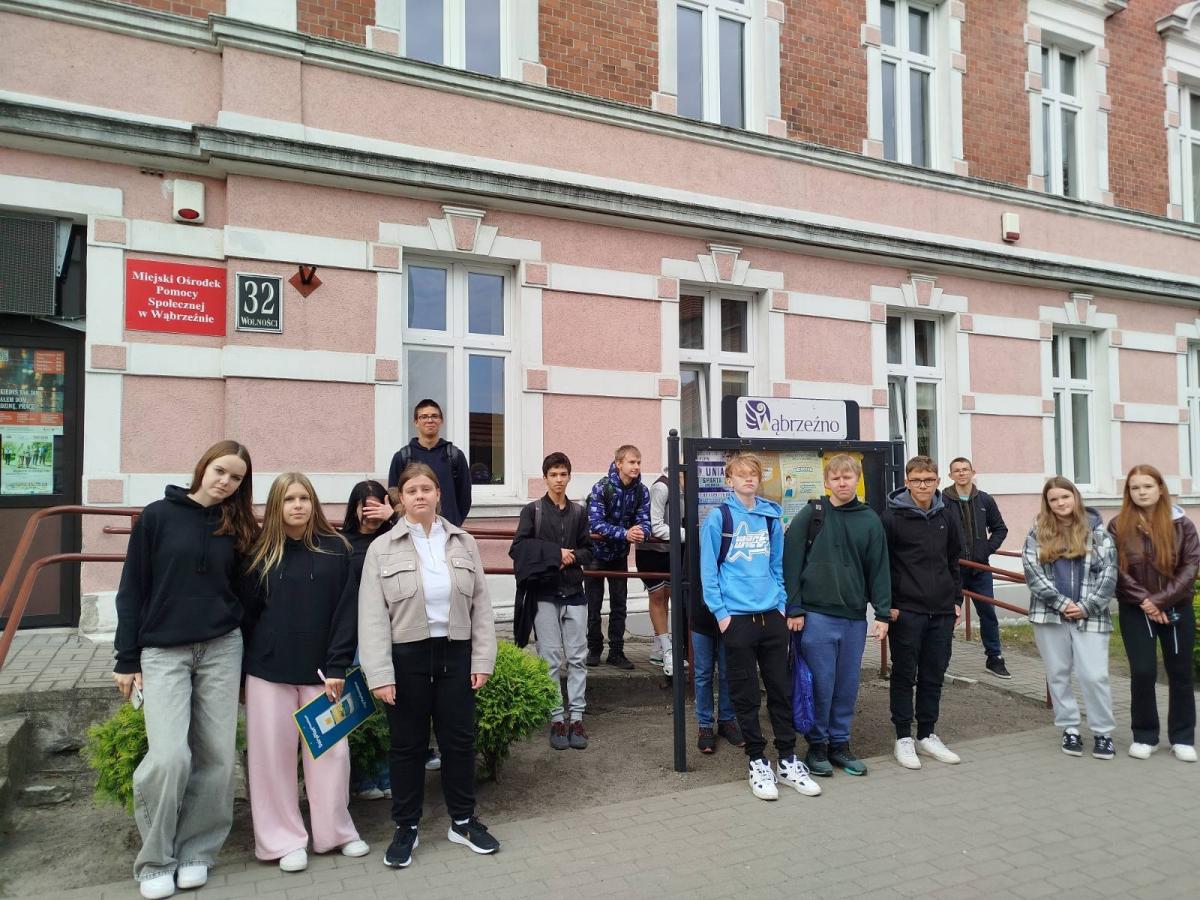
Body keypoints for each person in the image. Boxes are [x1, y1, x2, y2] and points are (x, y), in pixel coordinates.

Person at [112, 441, 259, 900]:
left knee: (216, 756)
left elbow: (247, 597)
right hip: (164, 652)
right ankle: (156, 859)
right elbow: (132, 588)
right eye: (220, 471)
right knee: (170, 755)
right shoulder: (157, 517)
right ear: (203, 467)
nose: (225, 482)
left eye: (236, 478)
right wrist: (126, 657)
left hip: (222, 648)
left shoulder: (238, 526)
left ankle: (197, 851)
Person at [358, 462, 499, 868]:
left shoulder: (463, 542)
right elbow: (372, 616)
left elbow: (481, 606)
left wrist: (482, 659)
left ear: (438, 494)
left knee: (459, 742)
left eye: (426, 489)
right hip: (408, 657)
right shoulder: (381, 548)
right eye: (411, 490)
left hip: (455, 654)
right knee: (407, 747)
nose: (419, 495)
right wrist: (380, 674)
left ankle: (463, 820)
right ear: (400, 499)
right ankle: (406, 826)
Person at [242, 473, 367, 872]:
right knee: (271, 759)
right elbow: (246, 617)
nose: (297, 505)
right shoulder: (258, 554)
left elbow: (347, 612)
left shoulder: (337, 549)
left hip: (324, 675)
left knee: (333, 754)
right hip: (268, 673)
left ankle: (336, 833)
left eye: (304, 498)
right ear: (275, 506)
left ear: (314, 503)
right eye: (288, 499)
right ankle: (283, 840)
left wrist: (338, 664)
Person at [701, 453, 820, 801]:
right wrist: (722, 615)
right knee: (746, 694)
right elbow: (708, 572)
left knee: (780, 690)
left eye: (753, 474)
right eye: (741, 475)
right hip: (736, 619)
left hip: (771, 617)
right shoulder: (718, 518)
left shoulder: (770, 516)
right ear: (730, 481)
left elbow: (777, 565)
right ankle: (757, 761)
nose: (749, 479)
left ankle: (787, 759)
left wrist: (781, 604)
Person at [784, 454, 890, 778]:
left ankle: (840, 744)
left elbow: (879, 568)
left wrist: (882, 613)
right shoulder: (813, 514)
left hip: (854, 618)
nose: (842, 483)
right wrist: (794, 607)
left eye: (848, 477)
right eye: (836, 478)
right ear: (827, 482)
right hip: (816, 616)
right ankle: (817, 745)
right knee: (820, 684)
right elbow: (791, 561)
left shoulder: (869, 520)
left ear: (857, 479)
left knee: (847, 685)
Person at [1021, 476, 1117, 759]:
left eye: (1065, 496)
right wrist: (1062, 604)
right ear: (1047, 503)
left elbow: (1109, 575)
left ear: (1075, 497)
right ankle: (1070, 727)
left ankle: (1102, 732)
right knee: (1058, 674)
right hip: (1050, 616)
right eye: (1054, 499)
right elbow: (1033, 573)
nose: (1060, 503)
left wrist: (1086, 606)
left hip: (1091, 615)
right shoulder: (1037, 533)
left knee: (1094, 676)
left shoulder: (1098, 534)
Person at [1107, 465, 1198, 763]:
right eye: (1135, 488)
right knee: (1143, 672)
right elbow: (1115, 570)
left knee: (1180, 673)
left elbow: (1190, 568)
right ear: (1128, 493)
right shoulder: (1118, 525)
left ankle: (1183, 738)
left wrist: (1159, 600)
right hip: (1136, 610)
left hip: (1176, 608)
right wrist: (1146, 602)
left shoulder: (1183, 525)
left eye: (1147, 486)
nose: (1141, 492)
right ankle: (1145, 736)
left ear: (1160, 488)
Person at [882, 455, 964, 771]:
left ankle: (927, 733)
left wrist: (956, 599)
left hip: (942, 610)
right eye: (916, 480)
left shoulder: (947, 515)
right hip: (907, 610)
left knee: (934, 674)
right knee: (905, 674)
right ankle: (903, 737)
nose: (923, 486)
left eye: (929, 480)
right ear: (906, 482)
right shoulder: (892, 517)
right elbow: (883, 563)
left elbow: (953, 560)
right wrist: (888, 604)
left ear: (938, 481)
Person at [509, 452, 594, 750]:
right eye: (553, 474)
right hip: (544, 594)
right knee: (550, 658)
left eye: (563, 474)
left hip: (574, 593)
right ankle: (557, 718)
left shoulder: (579, 512)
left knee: (578, 657)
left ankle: (577, 717)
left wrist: (571, 556)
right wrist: (554, 554)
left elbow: (588, 551)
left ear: (569, 477)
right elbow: (518, 548)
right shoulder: (532, 511)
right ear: (545, 478)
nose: (558, 480)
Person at [339, 479, 398, 800]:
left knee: (388, 703)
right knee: (359, 705)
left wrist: (394, 518)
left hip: (391, 631)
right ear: (355, 508)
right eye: (366, 506)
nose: (371, 513)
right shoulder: (342, 544)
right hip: (355, 633)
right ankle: (362, 779)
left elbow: (424, 545)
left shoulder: (395, 538)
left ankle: (386, 775)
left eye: (378, 505)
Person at [585, 444, 651, 670]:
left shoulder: (642, 491)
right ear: (619, 463)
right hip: (595, 554)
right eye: (632, 462)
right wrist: (625, 533)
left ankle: (616, 651)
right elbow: (595, 523)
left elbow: (645, 521)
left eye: (638, 462)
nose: (636, 466)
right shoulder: (601, 487)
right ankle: (594, 649)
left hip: (620, 555)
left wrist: (642, 532)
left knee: (619, 605)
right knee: (593, 605)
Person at [946, 457, 1011, 679]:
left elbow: (1000, 529)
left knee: (988, 612)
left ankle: (994, 658)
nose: (961, 473)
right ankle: (940, 659)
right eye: (957, 470)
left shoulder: (985, 500)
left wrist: (986, 550)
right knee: (947, 613)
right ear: (950, 475)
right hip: (952, 569)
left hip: (979, 568)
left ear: (973, 472)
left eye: (965, 469)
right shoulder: (942, 500)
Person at [387, 399, 472, 527]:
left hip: (447, 529)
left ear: (441, 421)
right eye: (424, 417)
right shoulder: (402, 457)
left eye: (434, 416)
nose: (430, 420)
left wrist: (454, 523)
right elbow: (394, 498)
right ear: (416, 422)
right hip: (412, 530)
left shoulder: (455, 456)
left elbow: (464, 497)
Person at [640, 467, 680, 676]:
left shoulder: (685, 486)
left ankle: (659, 647)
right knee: (657, 596)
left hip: (672, 549)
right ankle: (666, 648)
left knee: (668, 595)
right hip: (652, 551)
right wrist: (689, 534)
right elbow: (656, 526)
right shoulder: (662, 487)